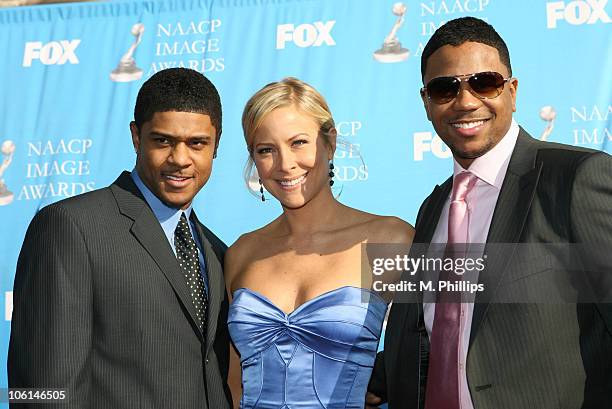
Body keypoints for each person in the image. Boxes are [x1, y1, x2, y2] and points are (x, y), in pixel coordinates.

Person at [366, 16, 612, 409]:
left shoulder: (578, 179)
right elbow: (434, 334)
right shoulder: (433, 207)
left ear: (512, 92)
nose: (466, 101)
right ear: (426, 102)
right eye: (445, 88)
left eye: (485, 83)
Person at [9, 68, 232, 409]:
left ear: (215, 145)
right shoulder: (71, 227)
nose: (180, 159)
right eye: (163, 140)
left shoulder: (217, 251)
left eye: (197, 143)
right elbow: (42, 389)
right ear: (136, 137)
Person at [224, 77, 414, 408]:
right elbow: (232, 383)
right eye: (266, 150)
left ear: (331, 142)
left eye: (299, 142)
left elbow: (447, 353)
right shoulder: (241, 254)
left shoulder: (391, 239)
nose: (285, 164)